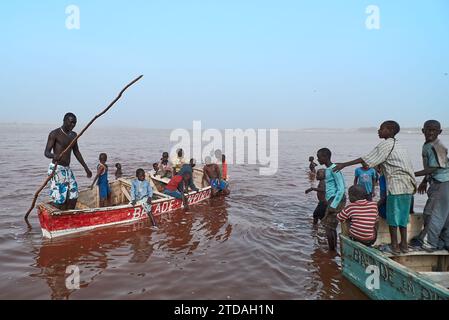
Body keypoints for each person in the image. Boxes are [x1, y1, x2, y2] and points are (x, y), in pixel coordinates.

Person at [334, 121, 416, 254]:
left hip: (396, 186)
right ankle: (404, 245)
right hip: (407, 187)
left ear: (389, 130)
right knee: (403, 217)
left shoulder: (387, 143)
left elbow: (366, 159)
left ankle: (395, 246)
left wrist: (344, 164)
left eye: (381, 129)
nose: (378, 131)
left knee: (393, 218)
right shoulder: (399, 145)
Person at [44, 113, 92, 210]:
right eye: (71, 122)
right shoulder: (54, 134)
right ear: (64, 121)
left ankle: (69, 215)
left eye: (74, 123)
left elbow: (76, 152)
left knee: (73, 195)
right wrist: (54, 155)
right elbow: (46, 152)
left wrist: (86, 168)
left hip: (67, 169)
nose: (73, 125)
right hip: (57, 169)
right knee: (59, 199)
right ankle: (59, 217)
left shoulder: (73, 135)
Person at [413, 120, 449, 251]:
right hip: (438, 181)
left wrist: (411, 174)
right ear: (423, 130)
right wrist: (424, 181)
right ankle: (444, 242)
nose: (430, 132)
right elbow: (431, 167)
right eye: (428, 129)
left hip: (442, 182)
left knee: (432, 213)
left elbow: (433, 168)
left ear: (439, 132)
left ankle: (430, 243)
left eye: (434, 130)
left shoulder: (437, 146)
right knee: (444, 214)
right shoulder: (428, 144)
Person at [317, 148, 346, 251]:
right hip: (333, 199)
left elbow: (341, 188)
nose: (318, 159)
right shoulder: (329, 169)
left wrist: (333, 205)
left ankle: (332, 251)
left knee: (328, 227)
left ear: (325, 157)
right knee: (331, 227)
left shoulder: (334, 169)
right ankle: (333, 250)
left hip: (336, 199)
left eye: (319, 157)